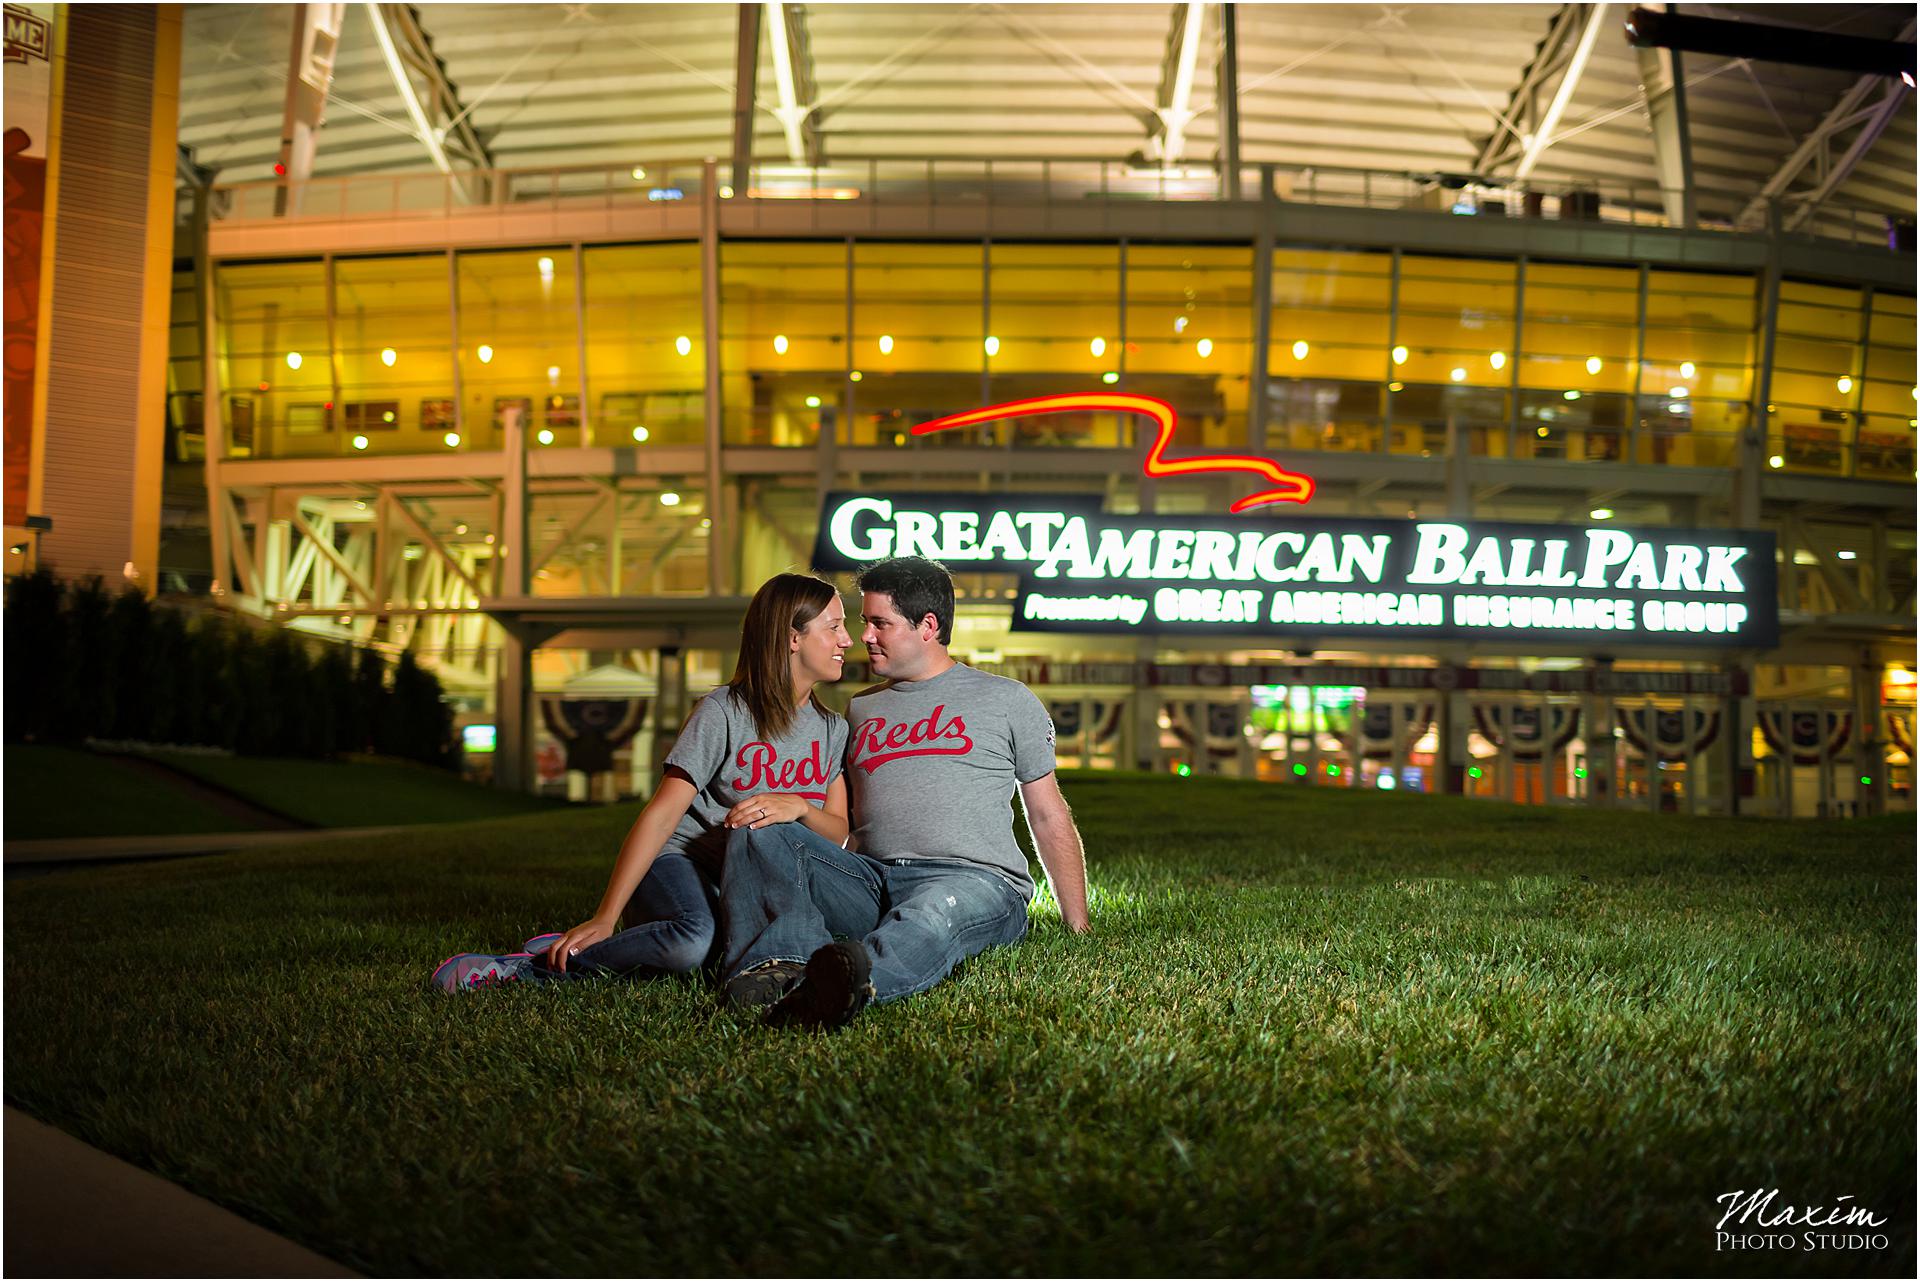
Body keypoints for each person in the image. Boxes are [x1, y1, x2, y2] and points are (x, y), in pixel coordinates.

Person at [718, 555, 1091, 1031]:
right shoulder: (860, 708)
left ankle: (846, 985)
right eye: (863, 623)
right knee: (759, 827)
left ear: (928, 626)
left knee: (931, 912)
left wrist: (1075, 923)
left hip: (973, 882)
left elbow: (1047, 815)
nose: (863, 637)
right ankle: (775, 971)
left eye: (880, 623)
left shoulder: (1007, 699)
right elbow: (842, 822)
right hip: (872, 881)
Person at [430, 573, 853, 992]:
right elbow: (663, 814)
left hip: (744, 883)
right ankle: (527, 971)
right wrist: (605, 915)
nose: (847, 641)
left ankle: (603, 947)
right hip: (683, 863)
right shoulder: (723, 712)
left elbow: (837, 834)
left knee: (720, 958)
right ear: (791, 637)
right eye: (834, 627)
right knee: (690, 945)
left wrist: (799, 807)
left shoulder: (832, 729)